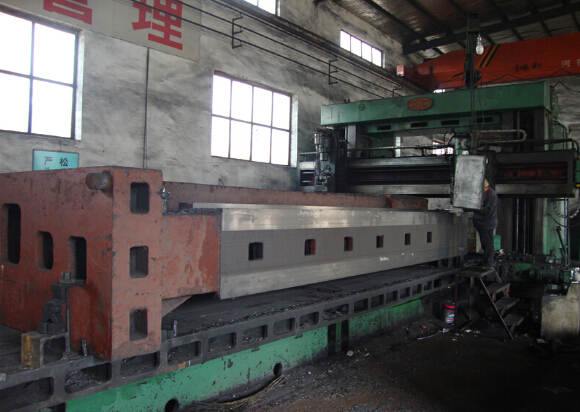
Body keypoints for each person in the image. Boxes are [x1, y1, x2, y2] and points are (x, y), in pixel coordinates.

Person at [473, 179, 498, 268]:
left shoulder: (492, 196)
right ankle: (486, 261)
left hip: (487, 224)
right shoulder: (483, 194)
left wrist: (474, 208)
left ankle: (488, 262)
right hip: (482, 223)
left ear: (486, 188)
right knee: (485, 243)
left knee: (488, 244)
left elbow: (487, 211)